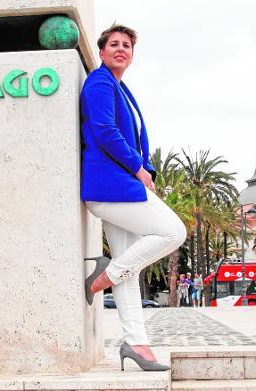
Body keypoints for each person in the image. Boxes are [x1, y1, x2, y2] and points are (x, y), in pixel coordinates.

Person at [80, 24, 187, 371]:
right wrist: (139, 169)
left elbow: (136, 136)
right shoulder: (99, 83)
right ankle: (102, 277)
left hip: (119, 186)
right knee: (174, 232)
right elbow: (106, 132)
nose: (121, 49)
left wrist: (147, 168)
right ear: (102, 51)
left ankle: (137, 344)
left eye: (127, 45)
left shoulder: (120, 87)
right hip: (110, 188)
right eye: (114, 44)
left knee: (128, 270)